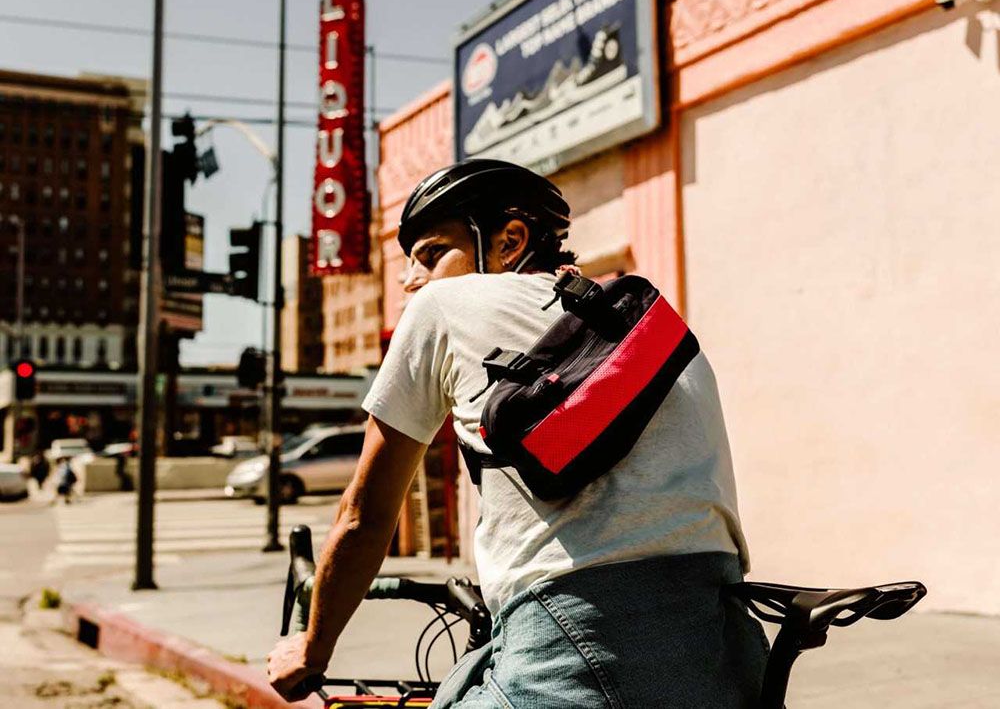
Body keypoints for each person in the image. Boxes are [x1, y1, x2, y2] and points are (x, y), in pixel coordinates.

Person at [268, 159, 768, 707]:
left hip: (579, 641)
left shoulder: (443, 306)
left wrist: (312, 650)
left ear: (510, 240)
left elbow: (364, 516)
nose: (412, 280)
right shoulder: (651, 326)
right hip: (732, 642)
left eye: (431, 254)